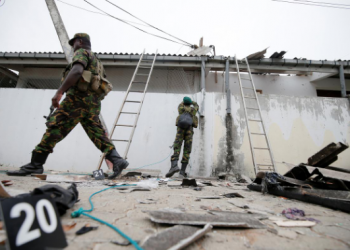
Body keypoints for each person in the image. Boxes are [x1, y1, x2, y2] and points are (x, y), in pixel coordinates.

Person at [7, 33, 128, 179]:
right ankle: (117, 160)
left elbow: (77, 71)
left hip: (76, 100)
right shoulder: (97, 61)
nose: (73, 47)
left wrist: (59, 92)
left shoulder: (82, 53)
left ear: (80, 41)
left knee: (55, 127)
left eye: (74, 43)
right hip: (92, 103)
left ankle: (36, 164)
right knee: (98, 134)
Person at [166, 97, 199, 178]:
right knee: (187, 150)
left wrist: (185, 102)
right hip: (189, 131)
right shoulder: (193, 110)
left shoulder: (181, 108)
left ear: (184, 103)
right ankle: (182, 172)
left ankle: (174, 166)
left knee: (177, 147)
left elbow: (181, 103)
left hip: (180, 131)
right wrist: (192, 102)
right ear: (190, 103)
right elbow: (196, 105)